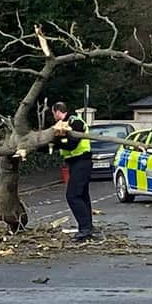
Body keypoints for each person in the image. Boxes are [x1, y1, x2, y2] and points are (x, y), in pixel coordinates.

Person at [51, 102, 93, 241]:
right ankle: (87, 227)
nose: (53, 117)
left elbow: (71, 143)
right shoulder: (64, 124)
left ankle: (85, 229)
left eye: (53, 114)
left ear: (57, 112)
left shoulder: (75, 122)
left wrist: (58, 142)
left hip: (82, 161)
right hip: (75, 163)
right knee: (82, 195)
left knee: (73, 195)